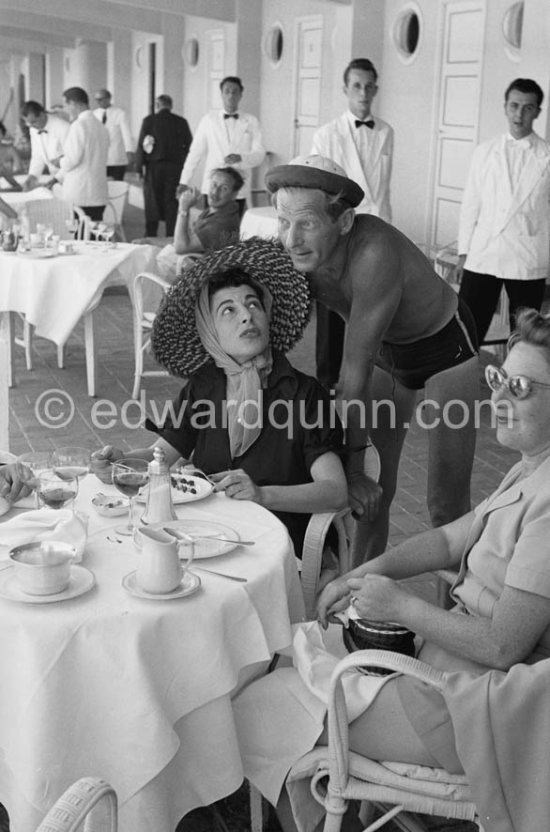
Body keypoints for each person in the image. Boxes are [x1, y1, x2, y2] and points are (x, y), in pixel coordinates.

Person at [232, 307, 550, 832]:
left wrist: (401, 606)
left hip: (474, 705)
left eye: (521, 386)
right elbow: (453, 537)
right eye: (499, 378)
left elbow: (502, 646)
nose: (498, 398)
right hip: (442, 667)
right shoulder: (530, 465)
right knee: (280, 665)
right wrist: (364, 572)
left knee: (261, 713)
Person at [265, 155, 479, 563]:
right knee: (372, 496)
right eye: (283, 221)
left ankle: (455, 610)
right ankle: (359, 602)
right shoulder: (297, 256)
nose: (291, 239)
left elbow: (354, 377)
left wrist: (353, 468)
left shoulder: (373, 254)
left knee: (445, 505)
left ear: (343, 222)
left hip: (444, 348)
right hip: (386, 352)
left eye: (307, 222)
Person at [91, 238, 347, 555]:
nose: (246, 316)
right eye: (229, 310)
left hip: (276, 547)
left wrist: (262, 494)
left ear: (268, 316)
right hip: (206, 538)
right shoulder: (205, 388)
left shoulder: (305, 395)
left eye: (254, 304)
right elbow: (161, 457)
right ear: (209, 330)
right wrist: (122, 464)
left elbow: (335, 491)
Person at [311, 57, 394, 390]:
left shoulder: (386, 132)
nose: (363, 92)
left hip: (375, 232)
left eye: (369, 85)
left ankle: (362, 381)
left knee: (371, 307)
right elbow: (318, 191)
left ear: (376, 88)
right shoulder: (327, 134)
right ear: (345, 89)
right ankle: (328, 383)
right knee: (333, 310)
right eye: (356, 85)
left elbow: (384, 188)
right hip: (339, 233)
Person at [455, 78, 550, 345]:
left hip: (526, 256)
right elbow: (470, 204)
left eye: (528, 107)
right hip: (485, 252)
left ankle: (516, 381)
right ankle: (461, 381)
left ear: (538, 112)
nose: (520, 114)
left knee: (524, 336)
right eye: (514, 105)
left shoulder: (547, 156)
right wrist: (464, 251)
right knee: (466, 327)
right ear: (505, 107)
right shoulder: (485, 152)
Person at [178, 76, 265, 216]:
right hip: (213, 183)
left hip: (238, 185)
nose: (231, 95)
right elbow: (195, 153)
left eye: (235, 92)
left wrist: (241, 158)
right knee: (211, 224)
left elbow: (260, 154)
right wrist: (184, 180)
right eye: (227, 91)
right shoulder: (209, 120)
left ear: (241, 95)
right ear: (222, 94)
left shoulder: (251, 121)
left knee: (233, 227)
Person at [135, 94, 193, 237]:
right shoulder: (181, 122)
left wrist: (138, 169)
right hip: (175, 167)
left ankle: (150, 234)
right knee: (172, 201)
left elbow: (141, 146)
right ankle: (172, 235)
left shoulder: (149, 121)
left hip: (154, 167)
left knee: (152, 201)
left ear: (157, 105)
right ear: (171, 106)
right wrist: (183, 162)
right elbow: (190, 145)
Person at [48, 86, 109, 222]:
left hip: (81, 194)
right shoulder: (101, 127)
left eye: (66, 105)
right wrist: (57, 178)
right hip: (98, 192)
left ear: (74, 104)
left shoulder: (79, 125)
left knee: (80, 238)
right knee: (95, 238)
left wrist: (59, 161)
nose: (66, 109)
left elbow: (72, 160)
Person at [21, 100, 70, 190]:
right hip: (54, 177)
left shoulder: (63, 127)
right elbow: (37, 155)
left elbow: (72, 157)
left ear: (42, 114)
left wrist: (56, 179)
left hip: (69, 176)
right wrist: (32, 176)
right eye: (28, 123)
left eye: (33, 122)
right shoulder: (33, 129)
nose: (31, 126)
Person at [92, 88, 134, 180]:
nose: (98, 102)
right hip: (99, 158)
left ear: (108, 99)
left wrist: (129, 151)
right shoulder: (94, 114)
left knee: (117, 185)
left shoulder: (120, 113)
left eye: (100, 99)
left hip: (116, 157)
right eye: (96, 100)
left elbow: (126, 134)